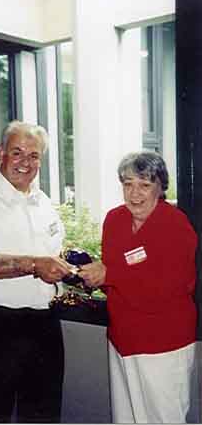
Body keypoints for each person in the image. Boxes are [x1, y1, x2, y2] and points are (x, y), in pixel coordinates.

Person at [0, 120, 74, 423]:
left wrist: (69, 266)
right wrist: (36, 265)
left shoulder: (42, 201)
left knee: (44, 414)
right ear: (1, 154)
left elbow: (51, 253)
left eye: (34, 156)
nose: (25, 162)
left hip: (44, 325)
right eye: (17, 152)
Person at [79, 151, 198, 424]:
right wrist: (92, 276)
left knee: (163, 418)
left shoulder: (176, 225)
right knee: (127, 418)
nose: (135, 193)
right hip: (122, 339)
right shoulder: (114, 220)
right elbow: (113, 280)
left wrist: (110, 274)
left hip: (163, 344)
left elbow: (169, 287)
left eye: (144, 185)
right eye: (128, 184)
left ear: (160, 187)